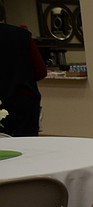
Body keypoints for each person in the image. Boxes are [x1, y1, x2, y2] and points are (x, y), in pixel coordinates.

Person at [0, 5, 47, 137]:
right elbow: (41, 70)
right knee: (28, 145)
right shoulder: (22, 35)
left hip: (1, 102)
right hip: (23, 99)